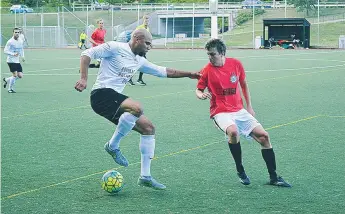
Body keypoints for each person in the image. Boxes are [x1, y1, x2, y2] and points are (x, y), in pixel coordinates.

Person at [74, 29, 200, 190]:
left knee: (148, 128)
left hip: (114, 100)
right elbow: (86, 54)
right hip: (101, 94)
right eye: (147, 43)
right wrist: (84, 78)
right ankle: (112, 146)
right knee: (137, 108)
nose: (150, 47)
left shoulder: (139, 61)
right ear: (137, 39)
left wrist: (189, 74)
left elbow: (163, 71)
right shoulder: (115, 47)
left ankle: (145, 176)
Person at [195, 38, 291, 187]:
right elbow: (199, 89)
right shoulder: (207, 70)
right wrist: (200, 95)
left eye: (212, 54)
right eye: (208, 54)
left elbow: (244, 85)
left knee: (264, 137)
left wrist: (249, 107)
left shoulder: (236, 64)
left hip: (239, 110)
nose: (210, 57)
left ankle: (274, 177)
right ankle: (240, 170)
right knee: (233, 132)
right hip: (220, 111)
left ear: (222, 53)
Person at [128, 15, 150, 86]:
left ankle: (137, 79)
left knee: (142, 64)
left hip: (143, 49)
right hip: (138, 49)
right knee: (139, 63)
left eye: (147, 19)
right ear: (143, 20)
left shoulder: (148, 28)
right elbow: (133, 35)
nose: (146, 20)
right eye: (145, 19)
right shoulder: (140, 28)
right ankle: (133, 78)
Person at [3, 27, 25, 93]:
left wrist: (22, 56)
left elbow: (21, 49)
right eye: (15, 32)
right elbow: (5, 51)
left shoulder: (20, 40)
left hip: (17, 61)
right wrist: (13, 54)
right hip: (11, 61)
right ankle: (10, 89)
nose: (17, 33)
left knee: (20, 76)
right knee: (15, 75)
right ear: (13, 33)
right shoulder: (10, 42)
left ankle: (7, 80)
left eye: (18, 32)